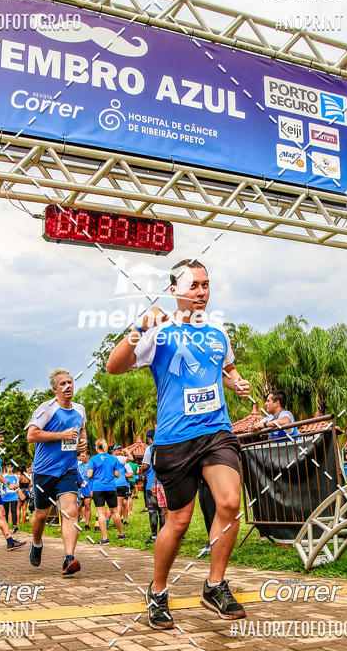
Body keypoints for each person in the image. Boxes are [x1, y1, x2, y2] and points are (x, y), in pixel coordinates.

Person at [107, 258, 250, 628]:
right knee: (179, 521)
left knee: (230, 502)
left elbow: (226, 366)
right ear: (175, 291)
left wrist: (234, 381)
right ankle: (157, 591)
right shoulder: (159, 332)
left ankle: (214, 585)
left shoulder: (219, 334)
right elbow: (114, 366)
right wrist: (140, 325)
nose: (201, 292)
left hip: (216, 431)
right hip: (175, 439)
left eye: (205, 285)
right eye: (193, 285)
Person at [26, 368, 87, 576]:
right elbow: (31, 435)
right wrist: (60, 435)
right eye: (62, 383)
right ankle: (36, 542)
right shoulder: (47, 409)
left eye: (69, 382)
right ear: (55, 388)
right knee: (41, 515)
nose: (68, 386)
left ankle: (69, 557)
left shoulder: (80, 410)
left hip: (68, 469)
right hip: (44, 470)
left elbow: (82, 432)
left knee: (70, 511)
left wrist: (82, 444)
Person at [87, 439, 125, 544]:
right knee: (115, 511)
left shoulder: (93, 459)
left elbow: (89, 475)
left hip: (98, 488)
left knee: (101, 512)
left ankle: (105, 538)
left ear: (96, 447)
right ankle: (121, 534)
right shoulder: (113, 459)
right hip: (111, 487)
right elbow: (117, 474)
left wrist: (95, 475)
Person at [141, 428, 164, 544]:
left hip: (151, 484)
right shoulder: (165, 446)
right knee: (163, 510)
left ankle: (154, 535)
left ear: (149, 438)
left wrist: (141, 470)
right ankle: (164, 534)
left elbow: (145, 466)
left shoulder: (149, 449)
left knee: (153, 510)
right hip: (164, 483)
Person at [112, 444, 132, 526]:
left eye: (120, 449)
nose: (119, 451)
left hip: (122, 484)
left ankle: (124, 520)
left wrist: (124, 475)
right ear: (112, 451)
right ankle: (118, 521)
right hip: (118, 484)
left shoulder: (125, 463)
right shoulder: (119, 459)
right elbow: (131, 458)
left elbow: (131, 474)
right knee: (119, 503)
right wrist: (127, 451)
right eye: (117, 449)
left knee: (123, 503)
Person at [0, 463, 20, 532]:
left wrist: (15, 487)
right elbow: (0, 486)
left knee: (13, 510)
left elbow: (18, 485)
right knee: (6, 511)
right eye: (8, 467)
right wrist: (2, 491)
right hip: (5, 496)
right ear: (6, 468)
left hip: (14, 496)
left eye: (11, 467)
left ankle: (14, 526)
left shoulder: (15, 476)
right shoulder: (4, 476)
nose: (9, 468)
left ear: (12, 468)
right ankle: (5, 526)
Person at [77, 450, 93, 530]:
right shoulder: (79, 466)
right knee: (77, 506)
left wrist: (92, 490)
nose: (81, 458)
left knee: (88, 506)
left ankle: (87, 524)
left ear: (88, 456)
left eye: (83, 456)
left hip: (88, 488)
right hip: (79, 489)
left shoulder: (91, 466)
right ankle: (75, 524)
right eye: (81, 456)